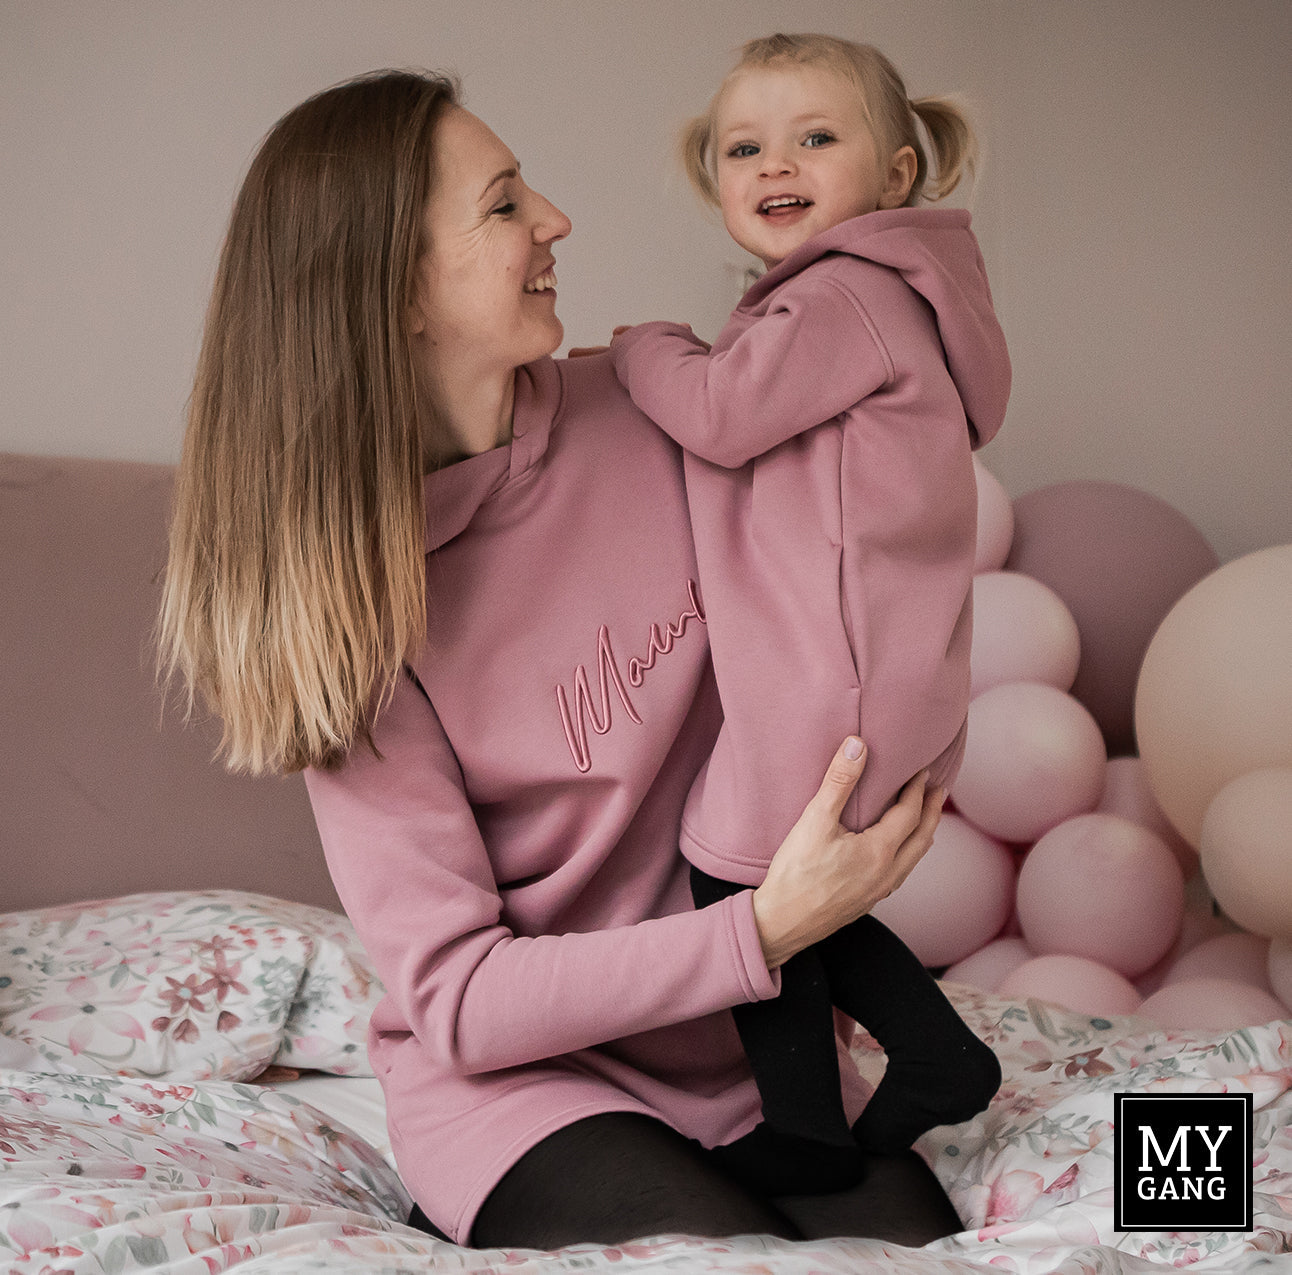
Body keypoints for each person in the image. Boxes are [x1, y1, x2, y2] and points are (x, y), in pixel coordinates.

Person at [158, 68, 959, 1251]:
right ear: (398, 290)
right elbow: (463, 1002)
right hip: (525, 1089)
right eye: (500, 204)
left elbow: (874, 554)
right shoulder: (347, 608)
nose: (554, 219)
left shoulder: (668, 409)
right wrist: (765, 930)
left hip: (757, 1059)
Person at [607, 33, 1006, 1175]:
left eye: (813, 137)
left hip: (833, 675)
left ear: (893, 176)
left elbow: (722, 416)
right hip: (877, 665)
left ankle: (814, 1130)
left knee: (737, 884)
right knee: (776, 889)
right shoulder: (884, 298)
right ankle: (903, 1080)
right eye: (744, 147)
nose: (773, 163)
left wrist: (645, 348)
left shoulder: (843, 296)